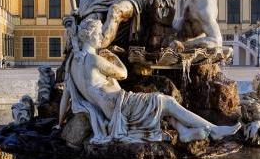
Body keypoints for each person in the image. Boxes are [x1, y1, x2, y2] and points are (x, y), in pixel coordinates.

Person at [62, 18, 238, 144]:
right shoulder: (94, 60)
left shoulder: (72, 63)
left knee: (156, 107)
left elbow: (66, 97)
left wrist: (59, 123)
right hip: (119, 106)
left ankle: (184, 132)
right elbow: (122, 74)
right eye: (99, 34)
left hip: (112, 107)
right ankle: (214, 130)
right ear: (90, 36)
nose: (102, 37)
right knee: (165, 101)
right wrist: (113, 57)